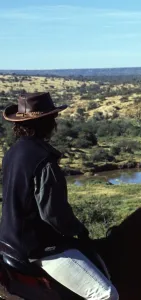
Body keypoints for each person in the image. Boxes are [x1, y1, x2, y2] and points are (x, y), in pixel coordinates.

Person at [0, 92, 119, 300]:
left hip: (7, 240)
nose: (55, 122)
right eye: (53, 118)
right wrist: (77, 230)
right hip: (37, 248)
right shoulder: (44, 160)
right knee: (106, 295)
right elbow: (52, 214)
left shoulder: (12, 152)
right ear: (46, 122)